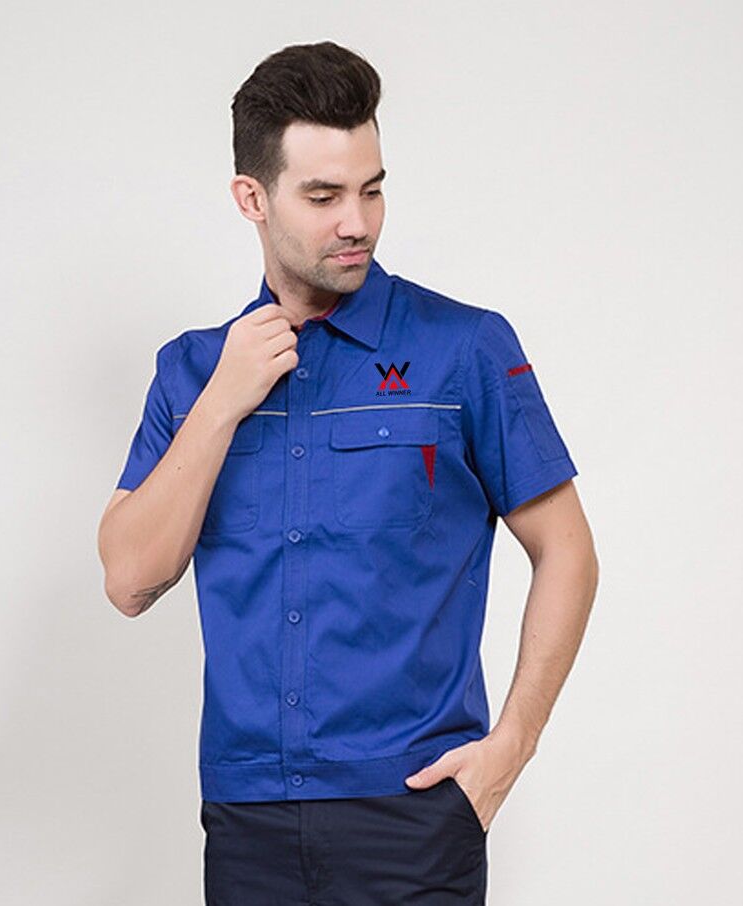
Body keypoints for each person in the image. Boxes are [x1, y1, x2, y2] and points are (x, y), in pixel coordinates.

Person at [97, 40, 598, 906]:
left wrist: (510, 749)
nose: (357, 222)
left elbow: (569, 551)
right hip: (247, 819)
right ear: (252, 198)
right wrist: (221, 405)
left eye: (372, 189)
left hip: (414, 814)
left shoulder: (465, 349)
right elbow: (130, 580)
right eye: (324, 196)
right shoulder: (192, 372)